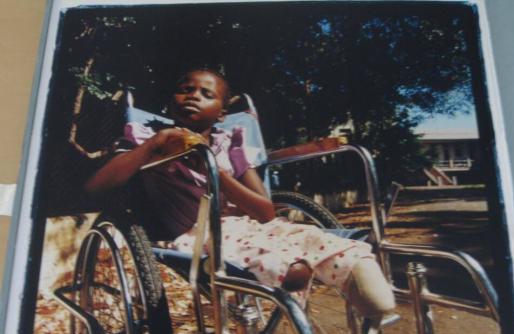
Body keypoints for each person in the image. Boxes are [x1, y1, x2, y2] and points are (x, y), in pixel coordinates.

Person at [85, 68, 395, 316]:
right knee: (281, 263)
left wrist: (215, 172)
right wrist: (156, 144)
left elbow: (265, 212)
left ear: (221, 113)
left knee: (307, 236)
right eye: (185, 89)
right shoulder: (148, 138)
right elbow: (96, 185)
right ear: (170, 102)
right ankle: (287, 272)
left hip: (244, 226)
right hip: (192, 237)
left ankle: (356, 272)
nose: (193, 96)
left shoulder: (229, 147)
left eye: (207, 94)